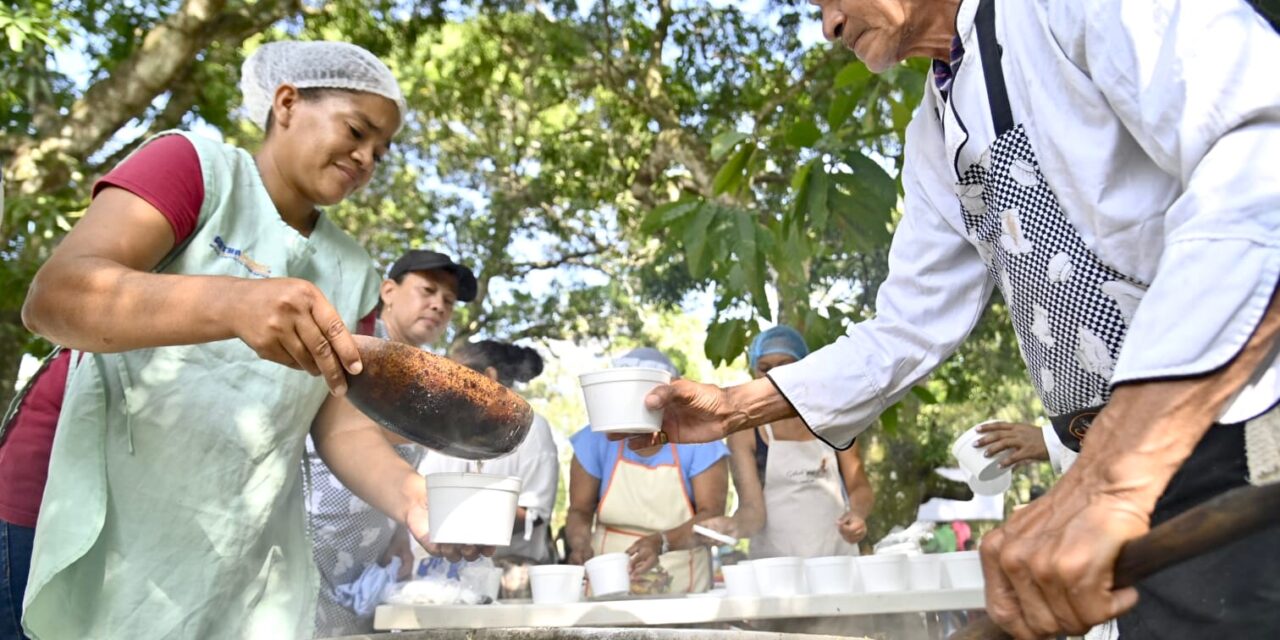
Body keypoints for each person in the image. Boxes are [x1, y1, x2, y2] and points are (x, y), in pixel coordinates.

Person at [641, 2, 1280, 638]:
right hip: (1114, 469)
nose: (830, 25)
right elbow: (907, 324)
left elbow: (1261, 155)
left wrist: (1116, 474)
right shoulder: (934, 129)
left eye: (833, 0)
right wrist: (735, 407)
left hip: (1234, 433)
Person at [13, 41, 451, 639]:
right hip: (67, 508)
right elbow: (55, 298)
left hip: (220, 543)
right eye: (357, 129)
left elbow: (343, 424)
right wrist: (232, 301)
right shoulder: (194, 167)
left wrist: (410, 495)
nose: (367, 157)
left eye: (382, 150)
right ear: (288, 103)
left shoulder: (354, 271)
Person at [308, 249, 478, 637]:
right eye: (427, 290)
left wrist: (401, 529)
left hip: (369, 558)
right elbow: (341, 430)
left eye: (448, 301)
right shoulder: (355, 349)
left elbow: (403, 462)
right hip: (312, 540)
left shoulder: (425, 372)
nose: (438, 305)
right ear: (388, 291)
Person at [697, 326, 875, 559]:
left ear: (803, 367)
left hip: (836, 561)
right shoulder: (745, 433)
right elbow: (753, 511)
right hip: (776, 568)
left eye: (785, 365)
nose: (775, 375)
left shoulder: (834, 420)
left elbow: (859, 484)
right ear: (754, 374)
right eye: (765, 368)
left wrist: (858, 514)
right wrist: (730, 526)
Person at [565, 348, 729, 594]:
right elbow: (579, 510)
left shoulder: (701, 442)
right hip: (609, 576)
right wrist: (579, 545)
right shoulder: (595, 438)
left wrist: (663, 542)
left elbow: (711, 515)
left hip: (683, 575)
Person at [418, 339, 560, 598]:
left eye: (457, 377)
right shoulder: (444, 430)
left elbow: (535, 513)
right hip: (450, 572)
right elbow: (422, 489)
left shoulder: (532, 430)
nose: (448, 387)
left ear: (489, 377)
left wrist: (473, 518)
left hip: (513, 575)